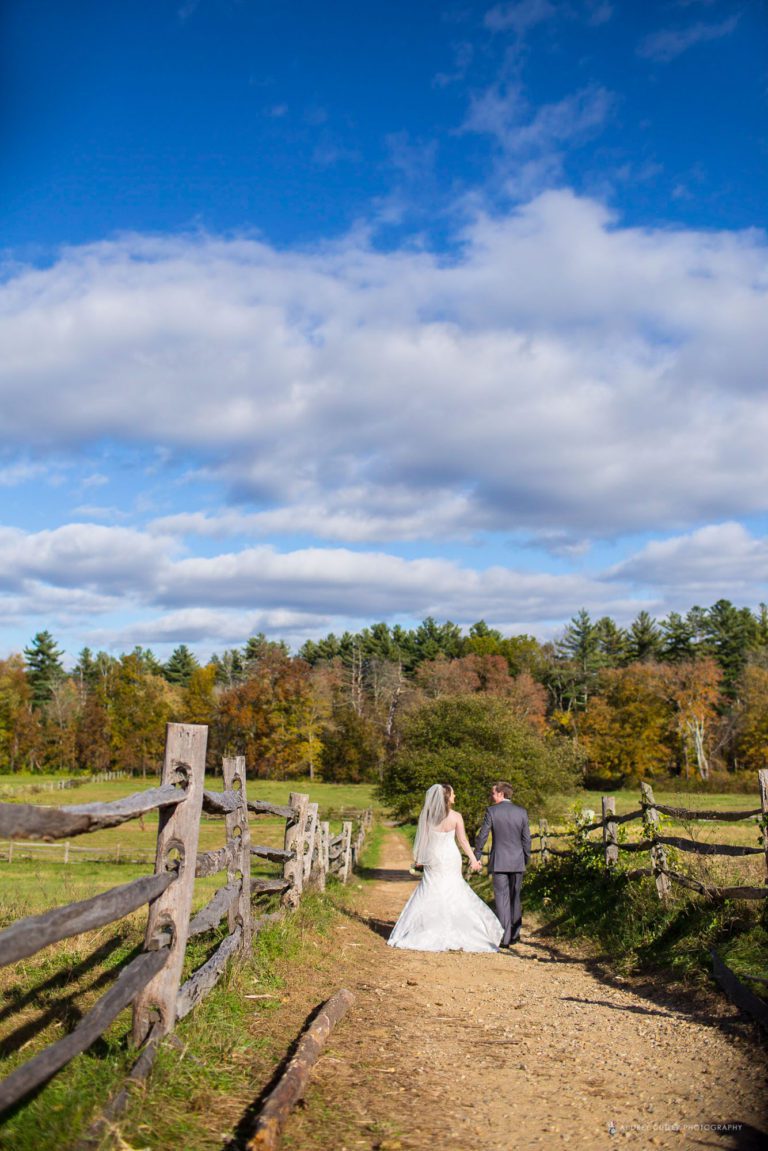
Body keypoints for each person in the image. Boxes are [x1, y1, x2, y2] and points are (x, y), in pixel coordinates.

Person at [388, 783, 503, 952]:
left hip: (433, 857)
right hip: (449, 856)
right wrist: (473, 859)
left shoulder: (427, 816)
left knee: (430, 888)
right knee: (453, 888)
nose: (455, 796)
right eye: (453, 794)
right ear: (448, 797)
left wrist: (420, 858)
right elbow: (463, 841)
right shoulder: (456, 816)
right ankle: (458, 928)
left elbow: (423, 839)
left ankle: (425, 929)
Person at [474, 781, 531, 947]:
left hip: (499, 861)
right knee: (515, 897)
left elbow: (483, 835)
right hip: (517, 861)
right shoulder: (522, 812)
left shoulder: (491, 811)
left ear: (501, 794)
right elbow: (526, 839)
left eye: (493, 793)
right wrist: (525, 858)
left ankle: (504, 937)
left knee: (502, 898)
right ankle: (515, 934)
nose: (491, 796)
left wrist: (477, 854)